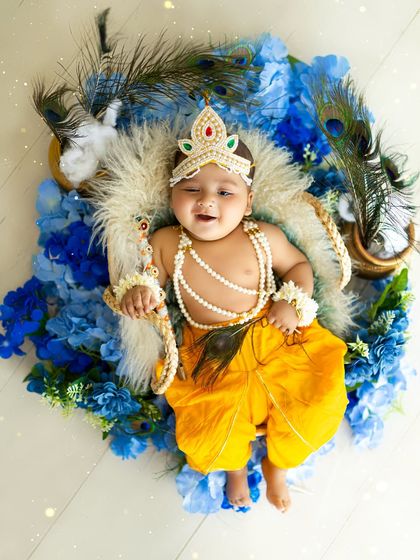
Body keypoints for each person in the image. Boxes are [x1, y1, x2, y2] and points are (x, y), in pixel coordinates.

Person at [115, 103, 349, 512]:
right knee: (211, 424)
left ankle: (279, 463)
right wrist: (141, 293)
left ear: (247, 202)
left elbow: (299, 265)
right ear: (172, 196)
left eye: (225, 191)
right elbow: (146, 279)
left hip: (274, 336)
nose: (207, 200)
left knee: (318, 399)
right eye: (191, 190)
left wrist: (291, 302)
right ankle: (235, 465)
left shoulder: (262, 235)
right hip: (210, 351)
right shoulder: (168, 243)